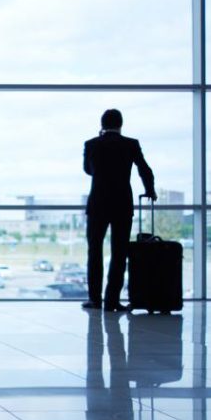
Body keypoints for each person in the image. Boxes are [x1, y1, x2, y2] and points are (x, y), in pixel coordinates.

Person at [83, 108, 156, 312]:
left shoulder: (91, 144)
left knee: (94, 251)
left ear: (102, 124)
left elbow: (88, 170)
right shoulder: (130, 144)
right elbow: (144, 168)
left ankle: (94, 299)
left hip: (98, 203)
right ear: (120, 124)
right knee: (119, 253)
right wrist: (150, 189)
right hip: (122, 203)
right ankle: (112, 301)